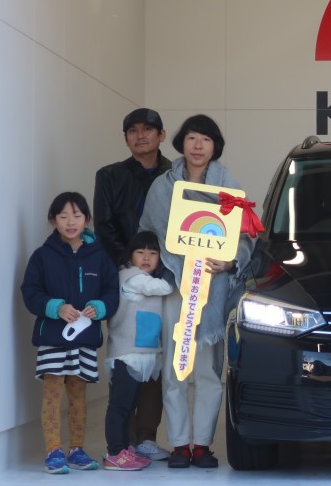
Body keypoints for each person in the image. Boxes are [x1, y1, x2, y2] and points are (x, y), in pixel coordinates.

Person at [139, 114, 254, 469]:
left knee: (207, 370)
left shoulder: (228, 185)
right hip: (176, 286)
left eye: (205, 139)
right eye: (192, 137)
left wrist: (230, 261)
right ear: (181, 142)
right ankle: (178, 444)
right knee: (175, 369)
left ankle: (202, 444)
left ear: (215, 145)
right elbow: (148, 233)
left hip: (213, 289)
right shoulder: (162, 187)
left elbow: (246, 236)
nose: (198, 145)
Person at [21, 192, 119, 474]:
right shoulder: (42, 256)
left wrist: (100, 307)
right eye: (63, 216)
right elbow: (30, 292)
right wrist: (55, 307)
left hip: (85, 340)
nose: (70, 222)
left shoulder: (99, 256)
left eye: (76, 215)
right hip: (52, 339)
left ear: (87, 219)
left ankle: (77, 449)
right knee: (52, 395)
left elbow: (112, 292)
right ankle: (53, 451)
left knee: (78, 395)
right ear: (53, 220)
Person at [93, 107, 172, 461]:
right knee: (127, 351)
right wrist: (128, 266)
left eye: (148, 129)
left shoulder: (176, 174)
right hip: (124, 278)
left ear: (161, 135)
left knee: (156, 353)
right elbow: (105, 227)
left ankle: (146, 436)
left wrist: (165, 270)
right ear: (125, 138)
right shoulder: (109, 175)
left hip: (167, 275)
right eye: (133, 131)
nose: (141, 136)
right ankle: (123, 442)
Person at [104, 231, 174, 471]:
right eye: (140, 252)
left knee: (129, 405)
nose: (146, 258)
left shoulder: (143, 277)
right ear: (130, 256)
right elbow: (164, 287)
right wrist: (177, 270)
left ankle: (125, 450)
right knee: (120, 406)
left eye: (153, 253)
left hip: (140, 354)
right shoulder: (131, 276)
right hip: (126, 354)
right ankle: (114, 452)